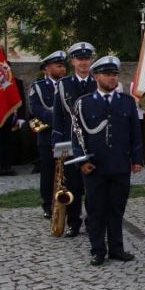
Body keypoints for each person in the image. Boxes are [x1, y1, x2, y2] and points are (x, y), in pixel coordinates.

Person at [71, 56, 143, 266]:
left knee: (116, 208)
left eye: (114, 75)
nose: (112, 78)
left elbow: (135, 134)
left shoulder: (127, 102)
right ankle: (97, 250)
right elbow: (77, 135)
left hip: (120, 164)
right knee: (95, 210)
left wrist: (137, 159)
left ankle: (116, 248)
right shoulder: (84, 103)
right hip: (95, 166)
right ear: (96, 76)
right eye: (107, 74)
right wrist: (81, 162)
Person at [51, 42, 97, 237]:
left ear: (91, 60)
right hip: (71, 143)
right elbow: (58, 116)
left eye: (87, 58)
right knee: (73, 185)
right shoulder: (64, 84)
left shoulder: (98, 81)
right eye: (80, 59)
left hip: (94, 143)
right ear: (73, 61)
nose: (84, 63)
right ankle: (74, 222)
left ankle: (92, 221)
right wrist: (57, 143)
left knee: (93, 186)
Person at [28, 50, 67, 218]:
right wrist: (55, 119)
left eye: (63, 66)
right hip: (48, 136)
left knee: (68, 170)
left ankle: (68, 203)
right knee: (49, 171)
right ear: (47, 69)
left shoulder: (68, 84)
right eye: (58, 66)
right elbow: (35, 108)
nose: (62, 69)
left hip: (67, 134)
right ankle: (47, 204)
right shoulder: (38, 87)